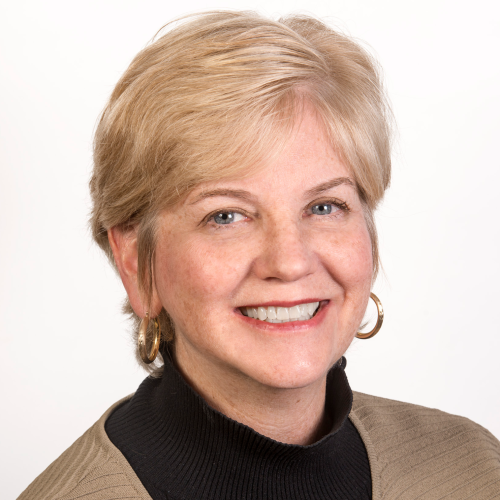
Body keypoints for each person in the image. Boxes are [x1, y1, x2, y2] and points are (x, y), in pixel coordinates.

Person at [18, 10, 500, 500]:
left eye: (324, 206)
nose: (290, 263)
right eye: (226, 216)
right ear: (135, 262)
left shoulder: (474, 469)